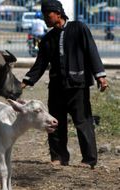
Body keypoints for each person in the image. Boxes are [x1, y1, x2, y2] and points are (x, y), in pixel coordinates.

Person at [21, 0, 108, 169]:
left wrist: (100, 77)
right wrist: (24, 83)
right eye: (44, 15)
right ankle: (59, 157)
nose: (45, 19)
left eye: (48, 15)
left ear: (58, 14)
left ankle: (89, 159)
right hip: (56, 88)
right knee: (54, 123)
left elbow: (92, 51)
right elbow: (39, 65)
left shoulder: (79, 28)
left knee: (83, 122)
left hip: (78, 86)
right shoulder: (47, 39)